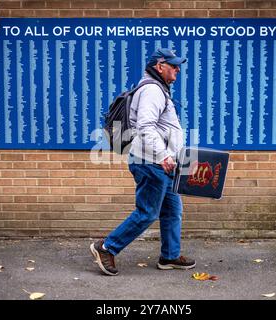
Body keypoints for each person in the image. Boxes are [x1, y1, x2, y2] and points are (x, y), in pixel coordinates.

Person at [90, 48, 195, 276]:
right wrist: (163, 155)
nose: (177, 69)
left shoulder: (158, 90)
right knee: (147, 212)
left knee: (172, 210)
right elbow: (145, 127)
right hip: (152, 163)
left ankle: (170, 255)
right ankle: (107, 247)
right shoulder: (152, 90)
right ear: (160, 66)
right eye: (173, 65)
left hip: (161, 163)